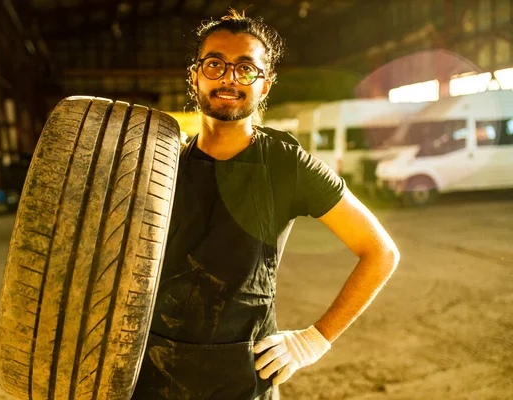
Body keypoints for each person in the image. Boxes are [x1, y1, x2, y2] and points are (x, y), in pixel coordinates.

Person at [132, 9, 400, 400]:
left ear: (265, 85)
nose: (229, 78)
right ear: (195, 76)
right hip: (151, 375)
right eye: (215, 65)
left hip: (242, 379)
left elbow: (380, 253)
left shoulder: (287, 164)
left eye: (246, 68)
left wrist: (314, 340)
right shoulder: (161, 161)